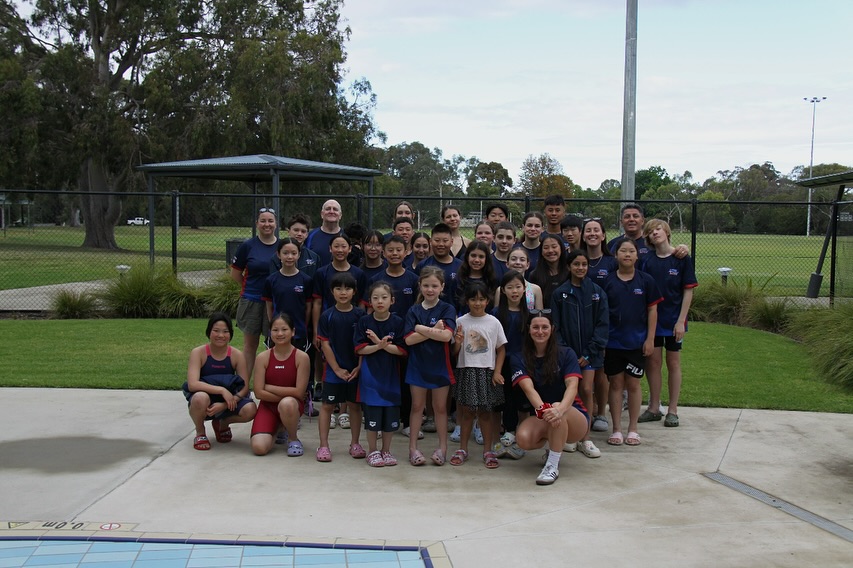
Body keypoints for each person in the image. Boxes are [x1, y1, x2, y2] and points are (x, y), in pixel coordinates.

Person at [509, 311, 589, 486]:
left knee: (558, 407)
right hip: (543, 414)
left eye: (544, 327)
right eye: (535, 327)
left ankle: (552, 465)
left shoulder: (566, 353)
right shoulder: (518, 357)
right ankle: (554, 446)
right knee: (523, 438)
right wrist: (547, 411)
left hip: (574, 416)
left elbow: (572, 386)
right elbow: (528, 389)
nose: (540, 331)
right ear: (528, 329)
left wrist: (559, 409)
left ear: (552, 329)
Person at [602, 237, 663, 447]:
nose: (627, 254)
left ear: (637, 255)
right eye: (623, 251)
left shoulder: (646, 281)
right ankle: (616, 429)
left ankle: (633, 429)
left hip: (636, 343)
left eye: (631, 251)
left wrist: (650, 339)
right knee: (616, 384)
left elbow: (653, 310)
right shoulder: (608, 281)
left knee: (634, 384)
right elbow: (602, 313)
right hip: (613, 343)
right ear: (616, 255)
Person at [638, 219, 698, 428]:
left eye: (658, 229)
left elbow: (688, 291)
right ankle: (654, 407)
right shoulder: (646, 260)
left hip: (674, 321)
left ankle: (673, 410)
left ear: (667, 232)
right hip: (653, 322)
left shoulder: (681, 258)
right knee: (653, 363)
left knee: (673, 363)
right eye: (651, 231)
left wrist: (681, 321)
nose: (655, 233)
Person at [551, 250, 609, 458]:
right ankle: (571, 436)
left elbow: (603, 325)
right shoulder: (560, 293)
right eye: (576, 264)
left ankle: (586, 437)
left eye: (584, 264)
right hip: (567, 354)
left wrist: (589, 353)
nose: (580, 268)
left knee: (585, 389)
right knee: (569, 392)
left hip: (589, 355)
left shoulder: (597, 293)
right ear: (569, 266)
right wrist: (566, 352)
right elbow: (555, 326)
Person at [450, 281, 507, 469]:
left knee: (485, 413)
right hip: (466, 370)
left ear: (487, 301)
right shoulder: (460, 321)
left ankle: (488, 451)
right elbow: (454, 352)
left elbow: (501, 349)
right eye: (473, 299)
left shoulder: (493, 322)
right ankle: (463, 449)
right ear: (467, 301)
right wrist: (458, 343)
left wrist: (497, 372)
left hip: (486, 372)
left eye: (481, 299)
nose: (477, 303)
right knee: (466, 412)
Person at [404, 266, 457, 466]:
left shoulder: (447, 309)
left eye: (434, 286)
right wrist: (432, 330)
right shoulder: (414, 310)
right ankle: (413, 448)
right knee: (417, 406)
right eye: (426, 285)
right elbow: (408, 340)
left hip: (440, 366)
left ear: (442, 287)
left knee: (440, 408)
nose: (430, 289)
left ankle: (442, 449)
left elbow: (446, 336)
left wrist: (420, 328)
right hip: (417, 365)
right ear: (420, 286)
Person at [185, 313, 257, 451]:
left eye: (225, 331)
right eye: (216, 331)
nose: (221, 335)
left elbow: (244, 386)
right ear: (209, 332)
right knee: (200, 398)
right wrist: (221, 390)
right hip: (206, 396)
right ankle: (200, 432)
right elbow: (192, 384)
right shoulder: (198, 353)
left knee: (250, 409)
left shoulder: (236, 355)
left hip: (229, 400)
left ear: (230, 334)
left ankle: (222, 423)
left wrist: (226, 404)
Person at [315, 272, 366, 462]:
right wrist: (336, 368)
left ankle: (355, 443)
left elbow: (363, 344)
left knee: (354, 406)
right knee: (327, 406)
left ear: (354, 291)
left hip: (354, 370)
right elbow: (325, 344)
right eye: (338, 289)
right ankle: (323, 445)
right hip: (332, 371)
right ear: (332, 291)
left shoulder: (360, 315)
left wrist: (359, 367)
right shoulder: (327, 316)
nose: (343, 293)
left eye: (347, 289)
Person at [355, 282, 406, 467]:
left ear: (392, 300)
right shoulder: (364, 322)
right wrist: (379, 345)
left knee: (389, 418)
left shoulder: (398, 322)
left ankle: (386, 450)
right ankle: (372, 450)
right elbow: (360, 349)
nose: (380, 301)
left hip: (391, 379)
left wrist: (380, 344)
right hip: (371, 379)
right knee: (372, 418)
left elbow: (401, 351)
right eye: (375, 298)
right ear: (369, 301)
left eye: (384, 297)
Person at [250, 313, 311, 457]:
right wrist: (286, 394)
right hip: (268, 407)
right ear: (270, 332)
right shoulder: (263, 357)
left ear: (293, 332)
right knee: (259, 448)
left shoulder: (301, 357)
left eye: (284, 329)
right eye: (275, 330)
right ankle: (279, 427)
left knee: (287, 403)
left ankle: (293, 438)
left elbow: (299, 392)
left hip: (291, 406)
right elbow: (258, 393)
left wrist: (268, 387)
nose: (280, 334)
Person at [580, 217, 620, 431]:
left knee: (601, 371)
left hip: (605, 323)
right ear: (583, 235)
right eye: (588, 230)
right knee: (583, 371)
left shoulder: (611, 262)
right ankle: (583, 412)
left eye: (596, 230)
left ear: (604, 235)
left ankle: (601, 413)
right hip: (580, 322)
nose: (592, 234)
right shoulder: (577, 259)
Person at [231, 207, 279, 380]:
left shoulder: (282, 246)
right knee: (250, 345)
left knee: (273, 345)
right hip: (251, 300)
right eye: (263, 221)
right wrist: (249, 287)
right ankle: (242, 386)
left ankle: (270, 386)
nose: (267, 224)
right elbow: (236, 274)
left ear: (276, 224)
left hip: (274, 302)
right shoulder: (248, 246)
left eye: (270, 221)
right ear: (257, 224)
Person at [491, 270, 531, 460]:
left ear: (524, 289)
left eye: (518, 287)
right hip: (501, 364)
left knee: (522, 403)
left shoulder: (529, 315)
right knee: (500, 401)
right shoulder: (496, 314)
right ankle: (498, 439)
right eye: (510, 287)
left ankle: (521, 440)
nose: (514, 291)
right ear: (503, 290)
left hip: (523, 365)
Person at [262, 238, 314, 353]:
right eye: (285, 253)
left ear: (299, 255)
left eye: (293, 253)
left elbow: (308, 308)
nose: (289, 257)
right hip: (279, 332)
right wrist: (274, 327)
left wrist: (302, 326)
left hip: (299, 332)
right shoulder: (271, 280)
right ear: (278, 254)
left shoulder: (306, 280)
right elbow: (269, 307)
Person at [415, 223, 462, 305]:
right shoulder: (422, 265)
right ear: (430, 241)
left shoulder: (461, 266)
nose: (441, 244)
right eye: (437, 240)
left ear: (451, 242)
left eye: (445, 241)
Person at [455, 241, 498, 315]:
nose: (477, 260)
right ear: (467, 257)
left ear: (486, 259)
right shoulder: (459, 279)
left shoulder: (491, 280)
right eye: (473, 256)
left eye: (481, 257)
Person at [528, 234, 569, 305]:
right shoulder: (534, 275)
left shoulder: (569, 273)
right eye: (546, 248)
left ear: (561, 249)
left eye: (554, 247)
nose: (550, 250)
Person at [305, 199, 343, 267]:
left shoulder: (347, 236)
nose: (331, 211)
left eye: (335, 209)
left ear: (340, 215)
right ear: (322, 214)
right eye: (328, 209)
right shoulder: (310, 236)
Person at [283, 213, 320, 278]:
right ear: (288, 231)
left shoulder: (314, 258)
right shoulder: (279, 256)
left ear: (307, 234)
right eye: (296, 230)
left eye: (303, 231)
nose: (299, 234)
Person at [518, 212, 545, 276]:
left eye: (537, 226)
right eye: (529, 225)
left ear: (542, 229)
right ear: (523, 227)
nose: (533, 229)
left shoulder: (546, 251)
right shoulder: (515, 249)